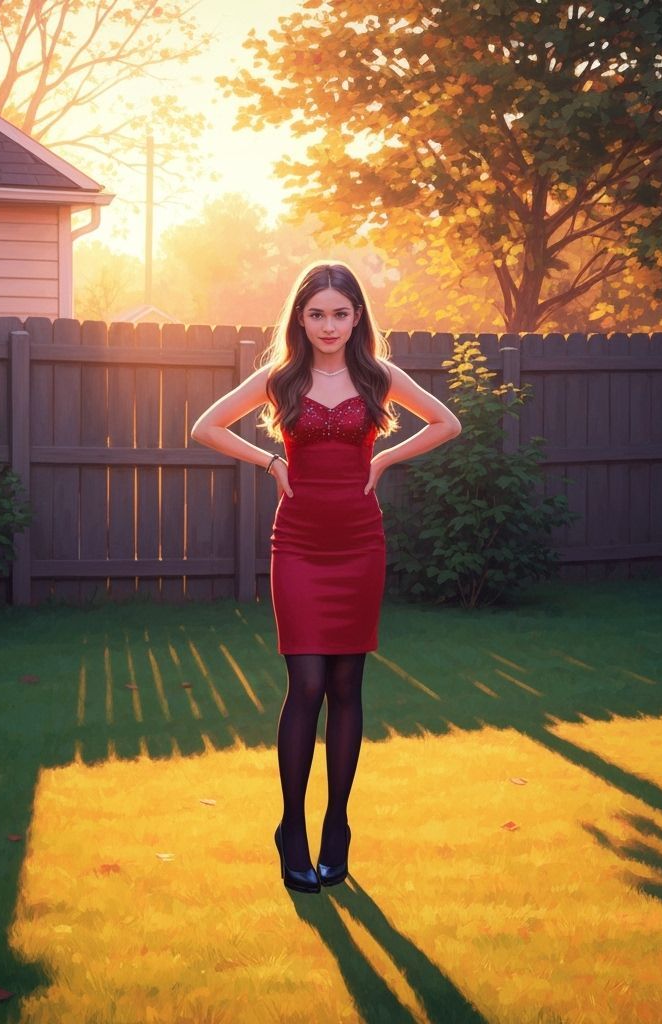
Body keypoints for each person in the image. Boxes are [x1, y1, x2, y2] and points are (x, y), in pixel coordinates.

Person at [190, 260, 461, 894]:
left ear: (358, 316)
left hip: (360, 543)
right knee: (306, 683)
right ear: (301, 318)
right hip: (301, 545)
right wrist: (269, 461)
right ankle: (292, 829)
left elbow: (448, 423)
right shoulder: (281, 377)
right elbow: (204, 426)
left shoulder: (378, 376)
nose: (329, 325)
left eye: (341, 313)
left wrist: (387, 459)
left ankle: (337, 826)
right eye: (317, 314)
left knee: (347, 684)